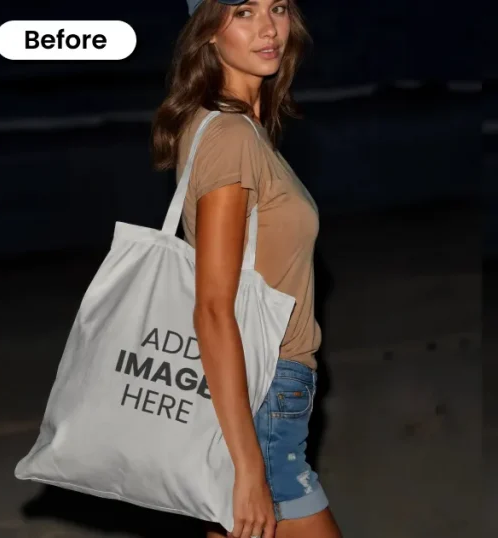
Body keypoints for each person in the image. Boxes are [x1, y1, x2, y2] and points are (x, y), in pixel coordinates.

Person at [150, 1, 342, 537]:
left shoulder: (244, 131)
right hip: (264, 398)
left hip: (269, 395)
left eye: (277, 8)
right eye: (243, 11)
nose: (268, 27)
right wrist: (249, 468)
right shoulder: (230, 137)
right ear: (207, 31)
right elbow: (213, 306)